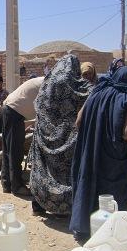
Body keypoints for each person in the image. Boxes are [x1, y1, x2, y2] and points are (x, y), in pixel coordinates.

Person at [70, 67, 127, 240]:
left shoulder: (96, 93)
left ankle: (84, 227)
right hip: (111, 155)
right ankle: (111, 233)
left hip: (89, 150)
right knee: (112, 191)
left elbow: (78, 121)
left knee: (88, 184)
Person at [29, 55, 92, 216]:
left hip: (44, 134)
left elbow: (39, 105)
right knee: (66, 172)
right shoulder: (77, 84)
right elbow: (90, 95)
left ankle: (38, 206)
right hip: (67, 139)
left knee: (41, 169)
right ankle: (65, 208)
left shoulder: (48, 83)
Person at [1, 76, 44, 196]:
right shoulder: (47, 84)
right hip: (14, 112)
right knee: (15, 151)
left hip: (9, 109)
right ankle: (17, 186)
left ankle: (7, 184)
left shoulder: (42, 81)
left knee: (8, 151)